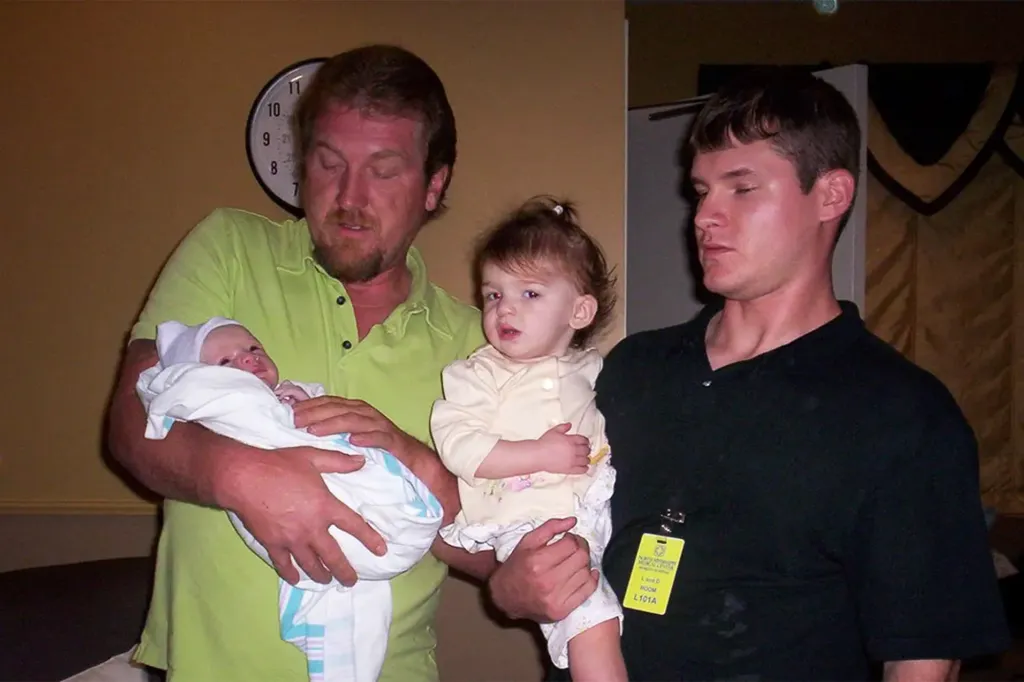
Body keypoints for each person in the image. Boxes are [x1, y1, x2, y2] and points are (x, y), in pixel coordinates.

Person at [488, 67, 1011, 681]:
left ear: (832, 195)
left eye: (741, 188)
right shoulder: (626, 368)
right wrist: (511, 588)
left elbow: (923, 657)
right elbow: (525, 519)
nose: (705, 216)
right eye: (701, 190)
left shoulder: (902, 415)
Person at [106, 44, 493, 682]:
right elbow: (130, 421)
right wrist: (241, 474)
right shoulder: (229, 248)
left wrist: (420, 463)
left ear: (434, 184)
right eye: (329, 162)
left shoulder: (478, 345)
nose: (349, 197)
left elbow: (492, 560)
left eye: (384, 170)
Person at [136, 315, 443, 682]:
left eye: (252, 348)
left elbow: (310, 419)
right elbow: (204, 411)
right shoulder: (220, 403)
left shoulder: (283, 393)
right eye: (225, 362)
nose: (247, 359)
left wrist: (298, 402)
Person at [430, 197, 626, 682]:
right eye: (493, 294)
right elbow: (459, 446)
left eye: (530, 294)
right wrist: (537, 453)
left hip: (597, 506)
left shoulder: (594, 368)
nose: (505, 308)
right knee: (590, 615)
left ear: (579, 311)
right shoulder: (477, 375)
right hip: (530, 519)